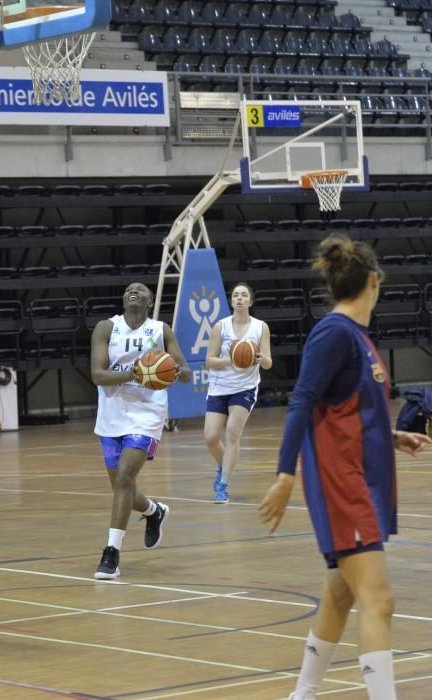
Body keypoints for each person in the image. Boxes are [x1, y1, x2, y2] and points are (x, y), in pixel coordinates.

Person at [259, 235, 431, 700]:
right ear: (374, 281)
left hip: (361, 481)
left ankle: (302, 694)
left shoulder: (355, 337)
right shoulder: (334, 333)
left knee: (341, 595)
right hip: (343, 486)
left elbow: (344, 411)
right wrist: (284, 475)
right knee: (381, 600)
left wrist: (390, 436)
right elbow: (302, 402)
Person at [91, 282, 191, 580]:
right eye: (129, 289)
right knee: (122, 489)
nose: (134, 290)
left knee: (124, 477)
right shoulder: (106, 328)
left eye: (141, 289)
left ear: (149, 301)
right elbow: (97, 375)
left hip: (147, 413)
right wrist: (131, 372)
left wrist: (170, 371)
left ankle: (112, 552)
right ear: (123, 299)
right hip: (112, 413)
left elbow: (185, 373)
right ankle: (153, 511)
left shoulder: (162, 330)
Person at [204, 282, 272, 503]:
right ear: (232, 301)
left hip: (244, 388)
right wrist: (231, 359)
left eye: (244, 295)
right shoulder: (220, 327)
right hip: (219, 386)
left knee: (232, 434)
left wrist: (261, 359)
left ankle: (223, 485)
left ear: (250, 301)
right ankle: (223, 466)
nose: (240, 298)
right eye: (236, 296)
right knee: (211, 438)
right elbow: (209, 361)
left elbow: (269, 363)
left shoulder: (260, 327)